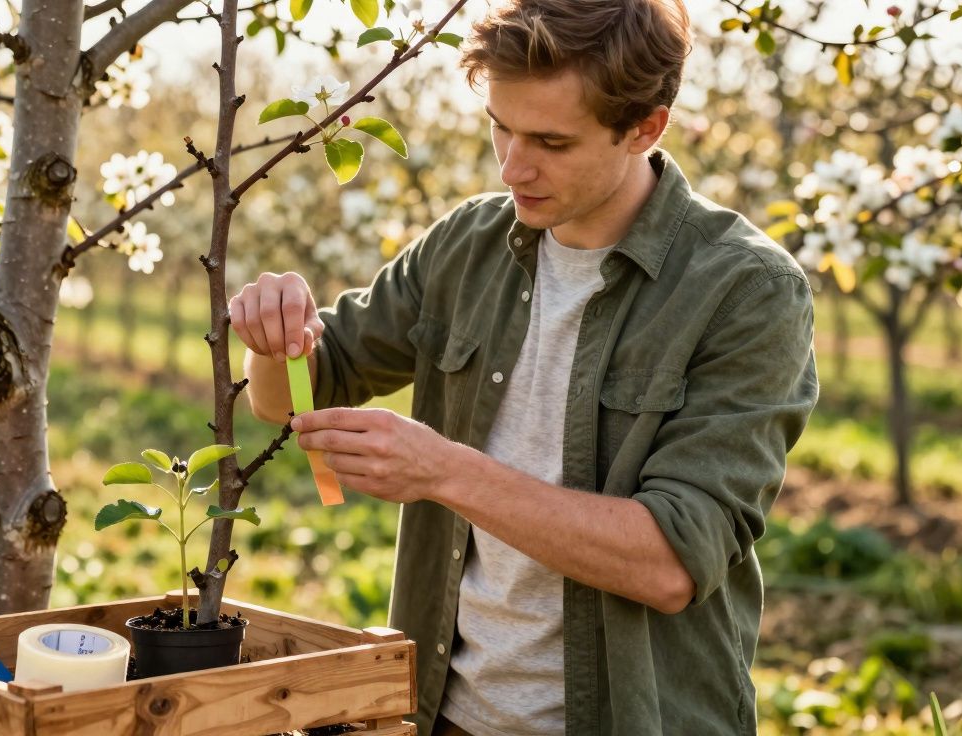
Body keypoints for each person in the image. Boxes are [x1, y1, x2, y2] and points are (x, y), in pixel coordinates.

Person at [232, 0, 819, 733]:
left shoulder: (746, 290)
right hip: (441, 712)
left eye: (551, 141)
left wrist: (444, 471)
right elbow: (296, 394)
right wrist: (275, 338)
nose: (513, 167)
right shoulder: (468, 244)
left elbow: (672, 563)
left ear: (645, 128)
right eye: (500, 127)